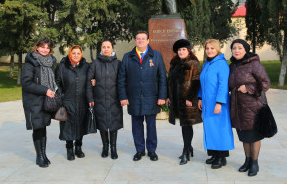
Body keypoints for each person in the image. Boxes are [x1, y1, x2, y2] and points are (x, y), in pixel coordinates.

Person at [118, 30, 167, 161]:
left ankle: (152, 150)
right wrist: (123, 97)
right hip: (134, 98)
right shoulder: (128, 57)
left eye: (143, 38)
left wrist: (162, 96)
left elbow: (162, 77)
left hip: (151, 97)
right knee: (136, 126)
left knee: (151, 126)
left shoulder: (156, 56)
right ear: (135, 41)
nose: (140, 41)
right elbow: (122, 79)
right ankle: (139, 150)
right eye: (138, 38)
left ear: (148, 41)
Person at [228, 39, 271, 177]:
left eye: (240, 48)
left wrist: (248, 88)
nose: (236, 50)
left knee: (253, 136)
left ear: (246, 50)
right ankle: (247, 161)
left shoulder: (254, 64)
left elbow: (265, 83)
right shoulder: (232, 66)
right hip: (237, 107)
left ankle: (254, 163)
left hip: (253, 106)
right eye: (234, 48)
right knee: (244, 136)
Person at [198, 39, 234, 169]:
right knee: (210, 129)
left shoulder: (222, 64)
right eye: (207, 48)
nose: (209, 51)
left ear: (217, 49)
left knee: (220, 130)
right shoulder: (207, 64)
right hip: (207, 103)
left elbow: (223, 85)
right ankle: (214, 154)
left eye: (212, 48)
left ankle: (221, 157)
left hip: (218, 104)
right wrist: (200, 98)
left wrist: (219, 103)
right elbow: (202, 83)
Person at [22, 38, 57, 168]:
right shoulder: (30, 63)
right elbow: (27, 83)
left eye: (47, 47)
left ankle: (43, 154)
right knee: (37, 127)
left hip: (46, 101)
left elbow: (54, 80)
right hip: (34, 101)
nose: (45, 50)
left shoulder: (49, 63)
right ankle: (39, 156)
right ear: (36, 47)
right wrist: (45, 90)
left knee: (43, 127)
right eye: (42, 47)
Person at [166, 39, 202, 165]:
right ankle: (189, 147)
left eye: (183, 50)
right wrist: (168, 96)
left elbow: (197, 82)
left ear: (188, 50)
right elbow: (169, 81)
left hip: (188, 100)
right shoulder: (174, 63)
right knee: (183, 124)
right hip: (176, 99)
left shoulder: (193, 63)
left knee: (187, 125)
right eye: (179, 50)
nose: (181, 52)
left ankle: (186, 151)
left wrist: (190, 98)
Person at [86, 39, 123, 159]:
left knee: (113, 124)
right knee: (102, 124)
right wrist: (90, 98)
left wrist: (123, 97)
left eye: (108, 47)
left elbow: (122, 81)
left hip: (114, 99)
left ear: (112, 48)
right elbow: (88, 82)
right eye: (104, 47)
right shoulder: (95, 64)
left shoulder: (118, 63)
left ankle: (113, 148)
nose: (106, 49)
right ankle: (105, 147)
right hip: (99, 99)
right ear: (101, 49)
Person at [55, 45, 89, 161]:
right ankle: (69, 149)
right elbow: (57, 83)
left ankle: (78, 148)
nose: (76, 55)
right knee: (67, 127)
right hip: (67, 102)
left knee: (80, 125)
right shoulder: (62, 67)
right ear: (70, 54)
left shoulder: (86, 66)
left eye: (78, 53)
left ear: (81, 54)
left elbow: (91, 80)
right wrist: (62, 96)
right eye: (73, 53)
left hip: (82, 102)